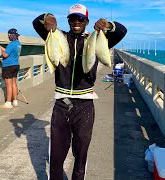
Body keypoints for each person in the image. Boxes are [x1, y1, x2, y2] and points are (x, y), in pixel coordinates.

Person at [33, 4, 127, 180]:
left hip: (85, 105)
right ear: (68, 21)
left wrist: (108, 26)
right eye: (73, 18)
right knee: (56, 155)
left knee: (81, 154)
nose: (77, 22)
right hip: (62, 103)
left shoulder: (96, 38)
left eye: (81, 19)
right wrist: (47, 17)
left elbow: (121, 31)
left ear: (87, 21)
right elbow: (36, 23)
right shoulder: (57, 36)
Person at [0, 28, 22, 108]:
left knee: (8, 85)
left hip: (8, 66)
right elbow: (9, 51)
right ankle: (15, 101)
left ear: (11, 35)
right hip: (16, 64)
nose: (8, 37)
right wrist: (0, 47)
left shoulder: (11, 44)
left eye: (8, 35)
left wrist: (0, 52)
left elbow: (5, 55)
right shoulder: (18, 44)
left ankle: (8, 103)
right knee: (14, 84)